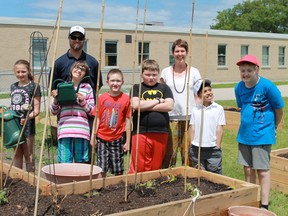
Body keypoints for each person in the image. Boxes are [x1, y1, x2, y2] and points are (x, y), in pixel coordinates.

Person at [235, 54, 284, 210]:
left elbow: (279, 109)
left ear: (257, 69)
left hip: (262, 135)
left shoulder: (267, 86)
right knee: (248, 169)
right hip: (244, 135)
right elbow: (242, 107)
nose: (245, 74)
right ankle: (251, 200)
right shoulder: (239, 87)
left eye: (249, 70)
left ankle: (263, 204)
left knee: (262, 171)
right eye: (243, 70)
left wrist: (273, 128)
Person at [160, 38, 201, 168]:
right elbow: (161, 94)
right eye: (177, 51)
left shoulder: (194, 72)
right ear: (173, 53)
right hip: (171, 118)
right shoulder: (165, 72)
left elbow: (199, 95)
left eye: (182, 51)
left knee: (188, 154)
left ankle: (188, 180)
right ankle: (167, 179)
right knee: (169, 153)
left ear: (187, 52)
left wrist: (198, 113)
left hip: (189, 119)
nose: (180, 54)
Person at [129, 59, 174, 173]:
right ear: (142, 74)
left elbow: (169, 106)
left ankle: (152, 186)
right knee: (140, 165)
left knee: (156, 165)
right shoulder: (136, 88)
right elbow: (135, 104)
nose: (151, 77)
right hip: (141, 131)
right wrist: (158, 101)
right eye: (147, 74)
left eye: (154, 75)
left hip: (161, 132)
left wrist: (144, 105)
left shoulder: (164, 88)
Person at [51, 60, 95, 163]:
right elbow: (53, 111)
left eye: (82, 69)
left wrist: (83, 101)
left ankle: (81, 179)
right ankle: (66, 179)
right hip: (65, 130)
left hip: (81, 130)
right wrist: (56, 99)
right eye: (76, 67)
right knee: (65, 162)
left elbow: (92, 111)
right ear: (71, 70)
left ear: (85, 74)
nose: (79, 70)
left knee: (81, 162)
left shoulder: (87, 88)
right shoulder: (62, 86)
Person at [90, 69, 130, 177]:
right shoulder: (101, 98)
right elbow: (97, 119)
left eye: (118, 81)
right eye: (112, 81)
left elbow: (128, 121)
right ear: (107, 82)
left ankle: (118, 186)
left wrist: (128, 141)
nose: (115, 83)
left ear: (122, 82)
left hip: (117, 138)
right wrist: (93, 136)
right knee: (101, 165)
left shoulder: (126, 99)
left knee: (118, 166)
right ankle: (101, 186)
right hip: (102, 137)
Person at [10, 59, 41, 172]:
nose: (20, 74)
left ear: (28, 71)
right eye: (18, 72)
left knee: (28, 154)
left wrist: (27, 117)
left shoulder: (34, 86)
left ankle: (30, 181)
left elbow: (37, 110)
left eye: (23, 71)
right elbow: (13, 104)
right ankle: (18, 181)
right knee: (17, 154)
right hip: (14, 125)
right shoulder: (13, 86)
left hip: (27, 125)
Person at [189, 79, 225, 174]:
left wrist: (217, 146)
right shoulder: (195, 110)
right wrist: (192, 143)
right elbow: (192, 127)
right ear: (199, 95)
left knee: (215, 176)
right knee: (199, 175)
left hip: (213, 149)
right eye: (205, 91)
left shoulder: (218, 108)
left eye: (209, 90)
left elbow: (219, 128)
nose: (209, 93)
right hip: (197, 148)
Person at [51, 25, 103, 91]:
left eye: (80, 38)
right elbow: (53, 88)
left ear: (84, 39)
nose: (77, 40)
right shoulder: (58, 63)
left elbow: (98, 86)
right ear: (69, 38)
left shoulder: (93, 62)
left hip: (88, 101)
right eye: (74, 37)